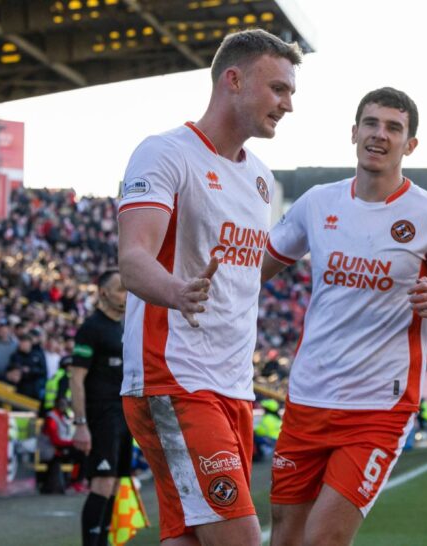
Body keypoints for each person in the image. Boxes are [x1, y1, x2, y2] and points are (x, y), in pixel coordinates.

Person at [262, 86, 427, 546]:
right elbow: (255, 269)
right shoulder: (318, 203)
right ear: (354, 132)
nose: (379, 135)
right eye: (371, 123)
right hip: (307, 397)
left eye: (394, 127)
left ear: (410, 145)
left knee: (323, 539)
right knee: (285, 536)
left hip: (378, 407)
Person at [116, 29, 301, 546]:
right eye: (278, 89)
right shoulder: (164, 153)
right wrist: (175, 291)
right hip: (174, 376)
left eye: (291, 92)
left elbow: (245, 270)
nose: (287, 105)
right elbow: (132, 260)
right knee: (240, 538)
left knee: (190, 538)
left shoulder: (261, 178)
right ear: (233, 80)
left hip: (232, 386)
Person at [69, 270, 129, 546]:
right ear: (103, 293)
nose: (127, 295)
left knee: (116, 482)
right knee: (102, 482)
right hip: (101, 414)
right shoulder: (92, 328)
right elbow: (76, 378)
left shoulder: (124, 327)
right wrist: (80, 423)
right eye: (121, 289)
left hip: (124, 415)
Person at [6, 333, 47, 400]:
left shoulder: (37, 355)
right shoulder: (16, 355)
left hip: (33, 388)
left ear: (30, 344)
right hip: (18, 387)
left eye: (25, 343)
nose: (23, 345)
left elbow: (43, 371)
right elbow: (10, 369)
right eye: (22, 343)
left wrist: (30, 370)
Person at [253, 398, 283, 463]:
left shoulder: (267, 418)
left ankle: (256, 456)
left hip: (270, 440)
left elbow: (260, 431)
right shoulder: (277, 418)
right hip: (276, 440)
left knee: (253, 436)